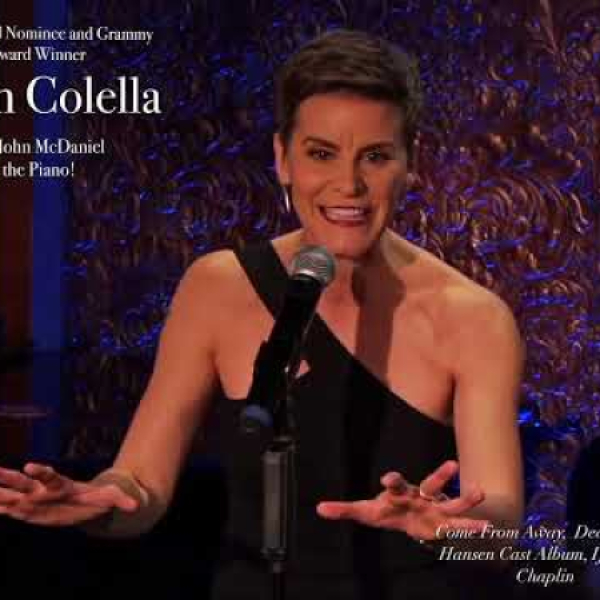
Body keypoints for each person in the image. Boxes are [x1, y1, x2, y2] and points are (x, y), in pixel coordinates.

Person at [0, 29, 524, 598]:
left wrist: (451, 529)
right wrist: (98, 503)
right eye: (321, 154)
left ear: (409, 162)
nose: (348, 184)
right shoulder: (217, 289)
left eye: (375, 157)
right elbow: (140, 486)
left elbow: (501, 528)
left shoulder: (475, 319)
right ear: (282, 158)